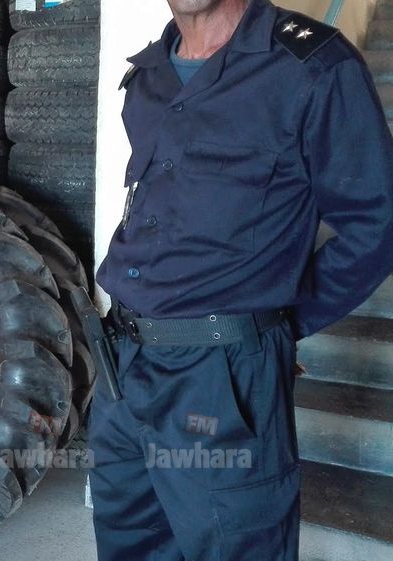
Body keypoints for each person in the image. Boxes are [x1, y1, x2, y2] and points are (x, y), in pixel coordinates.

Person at [89, 0, 393, 559]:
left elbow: (378, 225)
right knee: (129, 545)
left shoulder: (312, 68)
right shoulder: (148, 75)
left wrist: (278, 321)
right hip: (122, 367)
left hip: (221, 379)